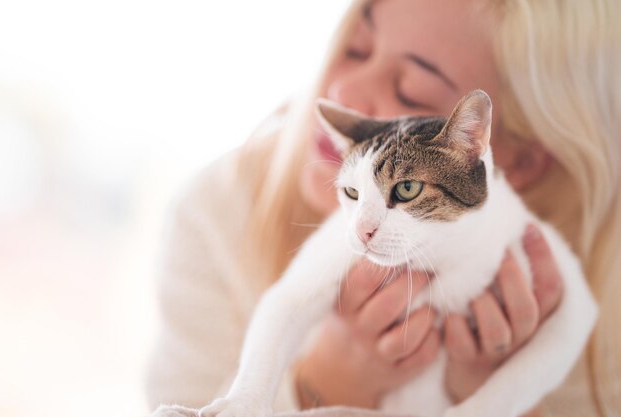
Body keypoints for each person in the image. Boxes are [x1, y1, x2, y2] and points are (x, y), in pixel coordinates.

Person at [145, 0, 621, 416]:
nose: (344, 93)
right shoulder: (214, 211)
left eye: (411, 91)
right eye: (354, 47)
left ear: (511, 156)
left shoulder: (571, 282)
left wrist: (503, 399)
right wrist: (321, 381)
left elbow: (573, 324)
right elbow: (271, 320)